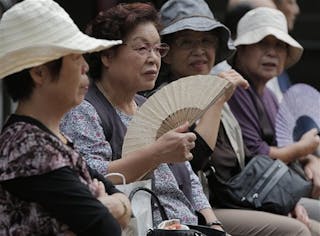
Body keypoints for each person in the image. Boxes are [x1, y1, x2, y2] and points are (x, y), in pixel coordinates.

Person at [61, 1, 229, 233]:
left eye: (158, 49)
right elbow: (90, 175)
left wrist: (213, 223)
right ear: (107, 56)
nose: (153, 58)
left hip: (185, 224)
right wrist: (156, 154)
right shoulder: (85, 109)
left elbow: (188, 177)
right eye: (142, 49)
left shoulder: (148, 105)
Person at [158, 1, 319, 236]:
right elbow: (200, 163)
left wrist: (304, 165)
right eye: (186, 42)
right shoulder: (183, 97)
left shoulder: (222, 90)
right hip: (203, 207)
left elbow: (243, 164)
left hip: (240, 196)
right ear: (167, 52)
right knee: (298, 231)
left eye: (206, 41)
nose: (199, 50)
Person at [0, 0, 132, 235]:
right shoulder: (27, 145)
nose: (85, 67)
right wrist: (111, 207)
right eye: (75, 58)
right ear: (39, 73)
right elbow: (106, 228)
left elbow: (117, 199)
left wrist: (113, 205)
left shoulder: (50, 138)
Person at [227, 7, 320, 235]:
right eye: (262, 44)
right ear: (240, 50)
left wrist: (310, 159)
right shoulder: (236, 89)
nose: (272, 53)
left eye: (279, 46)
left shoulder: (268, 93)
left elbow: (284, 142)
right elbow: (258, 153)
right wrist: (302, 149)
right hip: (246, 196)